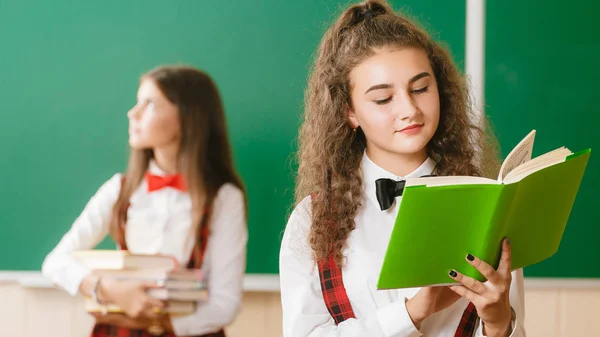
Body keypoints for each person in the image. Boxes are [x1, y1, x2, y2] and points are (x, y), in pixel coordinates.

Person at [279, 1, 525, 336]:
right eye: (383, 99)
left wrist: (498, 322)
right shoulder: (312, 219)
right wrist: (411, 313)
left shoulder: (488, 204)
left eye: (421, 88)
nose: (409, 109)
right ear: (349, 112)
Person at [42, 65, 247, 337]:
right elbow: (56, 262)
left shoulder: (224, 198)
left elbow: (226, 303)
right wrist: (108, 289)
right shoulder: (120, 190)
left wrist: (160, 324)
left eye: (149, 103)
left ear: (187, 117)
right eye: (137, 102)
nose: (132, 113)